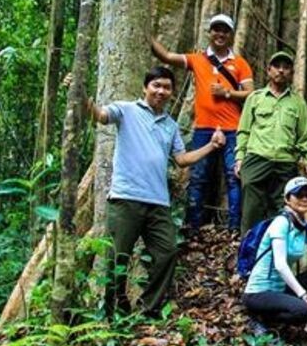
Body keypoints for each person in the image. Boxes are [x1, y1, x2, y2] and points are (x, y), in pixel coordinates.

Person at [87, 66, 225, 318]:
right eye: (156, 86)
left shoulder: (170, 126)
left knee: (167, 253)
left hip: (158, 203)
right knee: (116, 259)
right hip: (125, 198)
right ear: (145, 87)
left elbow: (182, 160)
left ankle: (147, 310)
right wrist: (82, 98)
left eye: (167, 87)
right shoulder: (126, 110)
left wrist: (211, 146)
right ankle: (111, 314)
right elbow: (100, 115)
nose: (161, 91)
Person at [151, 13, 254, 233]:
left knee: (234, 177)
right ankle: (193, 228)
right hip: (203, 128)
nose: (220, 34)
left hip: (234, 129)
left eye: (225, 30)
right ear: (210, 33)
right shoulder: (198, 59)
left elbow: (251, 94)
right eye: (216, 29)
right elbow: (168, 56)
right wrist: (145, 34)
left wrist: (226, 93)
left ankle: (234, 229)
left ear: (231, 35)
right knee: (198, 177)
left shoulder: (240, 64)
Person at [242, 177, 307, 346]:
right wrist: (304, 296)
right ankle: (260, 319)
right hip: (258, 293)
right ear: (287, 199)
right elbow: (280, 264)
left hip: (279, 290)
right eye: (298, 195)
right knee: (303, 309)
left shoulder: (305, 227)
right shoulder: (281, 223)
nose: (304, 199)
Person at [235, 50, 307, 234]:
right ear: (268, 70)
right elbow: (244, 131)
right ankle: (249, 255)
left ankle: (276, 257)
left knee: (282, 214)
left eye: (286, 67)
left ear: (291, 73)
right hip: (257, 159)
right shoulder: (255, 98)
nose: (281, 71)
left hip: (285, 163)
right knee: (251, 213)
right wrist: (240, 158)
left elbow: (305, 137)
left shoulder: (297, 103)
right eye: (277, 67)